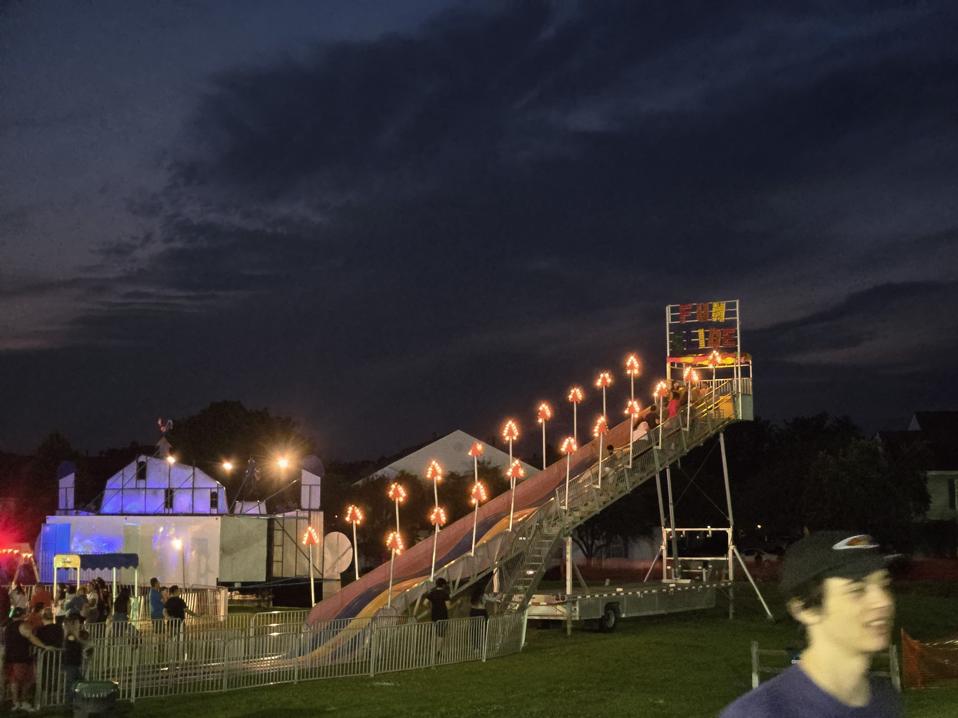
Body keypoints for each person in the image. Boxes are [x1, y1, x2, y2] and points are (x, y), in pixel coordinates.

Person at [720, 531, 901, 718]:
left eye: (884, 584)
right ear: (804, 610)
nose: (883, 601)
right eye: (857, 589)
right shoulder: (760, 713)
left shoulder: (884, 699)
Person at [3, 606, 48, 711]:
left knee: (14, 681)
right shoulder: (23, 625)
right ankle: (22, 701)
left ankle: (16, 703)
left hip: (10, 657)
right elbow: (31, 638)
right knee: (27, 680)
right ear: (23, 615)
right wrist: (44, 646)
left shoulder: (7, 627)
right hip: (21, 657)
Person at [61, 613, 89, 706]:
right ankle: (69, 703)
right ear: (73, 623)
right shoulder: (70, 636)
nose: (79, 624)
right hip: (70, 663)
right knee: (72, 684)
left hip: (75, 663)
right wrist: (87, 644)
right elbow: (76, 641)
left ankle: (74, 701)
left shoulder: (74, 636)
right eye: (77, 622)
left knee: (78, 682)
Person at [425, 577, 451, 652]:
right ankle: (438, 651)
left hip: (434, 615)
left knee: (435, 633)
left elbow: (425, 603)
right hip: (443, 616)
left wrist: (430, 608)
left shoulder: (432, 593)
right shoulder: (445, 594)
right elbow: (448, 607)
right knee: (441, 634)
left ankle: (433, 649)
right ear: (443, 585)